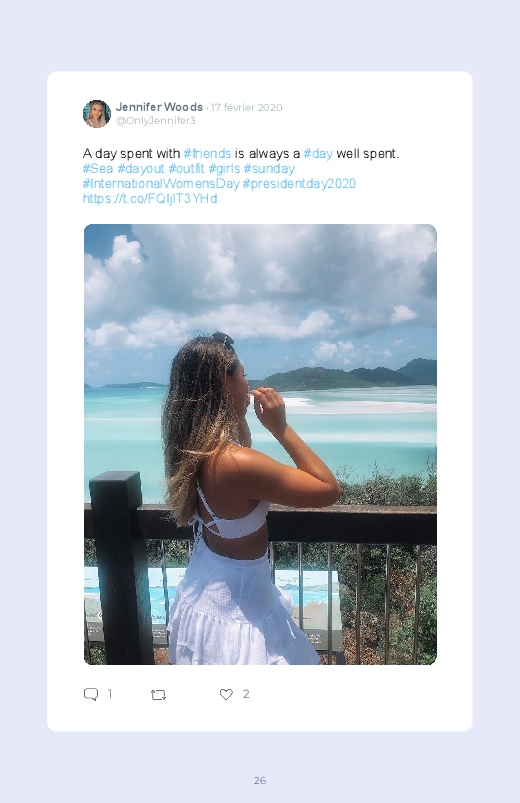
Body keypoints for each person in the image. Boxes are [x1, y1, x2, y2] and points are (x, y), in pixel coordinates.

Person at [162, 332, 342, 665]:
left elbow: (241, 465)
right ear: (225, 383)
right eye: (244, 375)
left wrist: (239, 416)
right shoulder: (233, 463)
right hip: (238, 614)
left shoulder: (194, 451)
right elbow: (328, 488)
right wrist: (280, 427)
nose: (249, 385)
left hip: (207, 593)